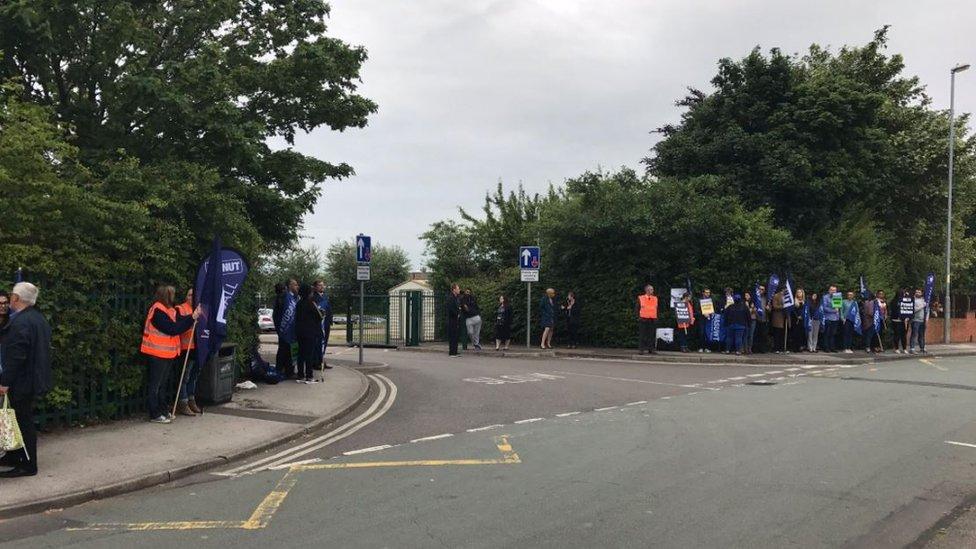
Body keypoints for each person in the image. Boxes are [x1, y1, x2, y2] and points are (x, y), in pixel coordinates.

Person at [0, 283, 53, 477]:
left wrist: (5, 382)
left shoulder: (20, 322)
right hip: (32, 378)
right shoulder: (38, 318)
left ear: (16, 298)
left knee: (23, 422)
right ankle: (15, 456)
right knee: (18, 419)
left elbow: (16, 356)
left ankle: (28, 465)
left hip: (22, 381)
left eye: (12, 296)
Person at [140, 285, 199, 424]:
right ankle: (155, 414)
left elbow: (179, 322)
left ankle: (163, 410)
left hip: (167, 353)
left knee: (162, 385)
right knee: (156, 386)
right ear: (165, 295)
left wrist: (192, 316)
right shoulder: (158, 311)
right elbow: (173, 329)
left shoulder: (169, 310)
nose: (173, 296)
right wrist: (191, 318)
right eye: (171, 294)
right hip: (157, 353)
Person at [175, 288, 201, 417]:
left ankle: (191, 400)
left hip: (197, 348)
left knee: (194, 376)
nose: (192, 297)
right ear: (186, 297)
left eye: (194, 295)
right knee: (184, 377)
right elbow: (180, 325)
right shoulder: (180, 309)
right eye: (189, 295)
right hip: (186, 348)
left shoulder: (200, 309)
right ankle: (183, 403)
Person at [294, 283, 323, 383]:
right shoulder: (311, 303)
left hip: (299, 331)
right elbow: (319, 316)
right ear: (308, 292)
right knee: (309, 354)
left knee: (301, 353)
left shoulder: (298, 303)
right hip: (310, 332)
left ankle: (300, 374)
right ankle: (309, 375)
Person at [273, 279, 299, 379]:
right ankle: (279, 370)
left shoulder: (295, 298)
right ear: (289, 286)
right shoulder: (284, 297)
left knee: (291, 352)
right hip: (284, 329)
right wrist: (279, 327)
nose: (297, 286)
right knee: (283, 350)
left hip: (293, 331)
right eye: (295, 285)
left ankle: (289, 371)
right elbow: (277, 314)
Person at [312, 280, 334, 370]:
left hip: (326, 323)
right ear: (315, 287)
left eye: (323, 285)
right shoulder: (313, 297)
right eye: (319, 285)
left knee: (324, 343)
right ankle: (316, 362)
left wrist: (330, 320)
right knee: (318, 344)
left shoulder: (325, 296)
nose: (322, 287)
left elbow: (328, 309)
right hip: (318, 325)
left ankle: (322, 360)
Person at [636, 285, 658, 355]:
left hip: (652, 319)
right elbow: (637, 308)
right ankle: (641, 349)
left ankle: (651, 349)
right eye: (651, 289)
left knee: (651, 335)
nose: (653, 291)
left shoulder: (655, 298)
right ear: (647, 290)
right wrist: (638, 317)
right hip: (643, 319)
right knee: (642, 335)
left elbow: (656, 308)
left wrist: (656, 317)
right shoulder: (641, 298)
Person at [821, 285, 840, 353]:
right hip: (828, 318)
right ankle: (826, 347)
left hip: (835, 318)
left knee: (833, 334)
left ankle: (832, 347)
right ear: (829, 290)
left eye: (834, 290)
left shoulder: (837, 297)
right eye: (832, 290)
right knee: (827, 334)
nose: (833, 291)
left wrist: (837, 312)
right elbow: (825, 308)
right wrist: (834, 310)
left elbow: (838, 307)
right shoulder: (825, 297)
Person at [696, 288, 715, 353]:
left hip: (709, 319)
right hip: (701, 319)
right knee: (701, 333)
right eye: (706, 292)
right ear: (703, 293)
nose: (708, 294)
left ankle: (707, 347)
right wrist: (703, 313)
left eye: (709, 292)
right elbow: (696, 310)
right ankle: (701, 347)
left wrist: (711, 313)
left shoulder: (711, 300)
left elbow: (714, 309)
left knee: (708, 333)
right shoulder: (699, 300)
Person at [894, 288, 912, 353]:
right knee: (897, 335)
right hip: (897, 320)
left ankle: (904, 348)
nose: (904, 294)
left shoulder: (906, 300)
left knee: (904, 335)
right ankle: (896, 348)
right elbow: (894, 311)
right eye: (903, 293)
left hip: (905, 320)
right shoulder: (895, 301)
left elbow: (909, 307)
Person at [446, 284, 462, 357]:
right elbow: (451, 309)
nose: (459, 290)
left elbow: (458, 307)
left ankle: (455, 351)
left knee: (456, 336)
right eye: (458, 289)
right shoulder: (451, 298)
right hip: (452, 319)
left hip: (456, 319)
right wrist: (457, 313)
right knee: (452, 336)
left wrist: (459, 311)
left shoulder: (456, 297)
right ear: (454, 289)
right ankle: (451, 352)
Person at [910, 287, 928, 354]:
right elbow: (913, 310)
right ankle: (912, 348)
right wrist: (922, 306)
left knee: (922, 335)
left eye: (919, 292)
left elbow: (927, 310)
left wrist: (926, 319)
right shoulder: (913, 300)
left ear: (922, 293)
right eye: (916, 292)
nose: (918, 293)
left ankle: (922, 348)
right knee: (914, 334)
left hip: (922, 320)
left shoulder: (924, 300)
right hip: (915, 320)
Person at [769, 285, 786, 353]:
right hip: (778, 318)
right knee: (777, 334)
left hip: (785, 318)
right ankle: (776, 348)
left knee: (782, 334)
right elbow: (775, 306)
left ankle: (782, 347)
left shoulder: (787, 297)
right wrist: (782, 306)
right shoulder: (776, 296)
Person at [790, 287, 806, 352]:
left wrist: (802, 316)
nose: (799, 293)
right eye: (798, 292)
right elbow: (793, 311)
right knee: (795, 334)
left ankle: (800, 347)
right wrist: (797, 316)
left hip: (802, 320)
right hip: (795, 319)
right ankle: (794, 347)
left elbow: (805, 311)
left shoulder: (804, 302)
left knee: (801, 334)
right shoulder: (794, 301)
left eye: (800, 292)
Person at [753, 285, 769, 353]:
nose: (761, 290)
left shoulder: (766, 299)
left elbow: (770, 309)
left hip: (764, 319)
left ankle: (763, 349)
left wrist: (769, 308)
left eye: (762, 289)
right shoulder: (755, 298)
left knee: (763, 335)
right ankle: (755, 349)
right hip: (756, 319)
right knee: (756, 335)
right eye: (760, 289)